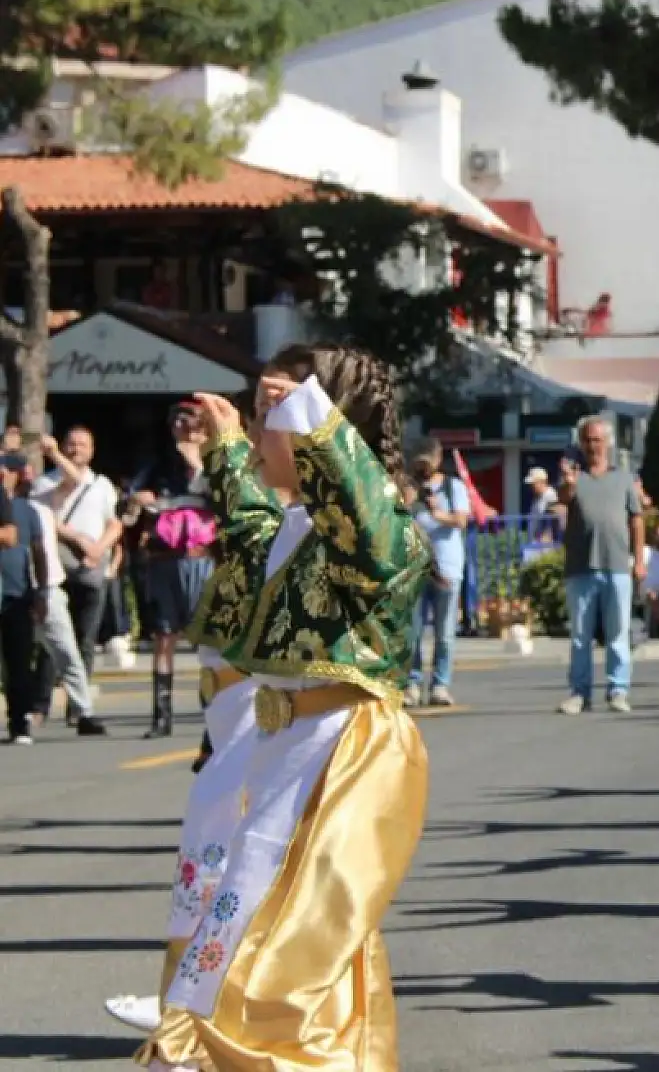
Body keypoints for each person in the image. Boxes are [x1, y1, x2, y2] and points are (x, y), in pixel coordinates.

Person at [139, 344, 431, 1072]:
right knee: (252, 937)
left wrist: (305, 418)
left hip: (346, 754)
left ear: (319, 433)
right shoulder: (296, 530)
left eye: (279, 414)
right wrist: (233, 439)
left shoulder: (379, 525)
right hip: (287, 747)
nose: (267, 423)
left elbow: (357, 512)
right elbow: (251, 520)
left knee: (276, 958)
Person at [104, 416, 278, 1036]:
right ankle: (190, 1003)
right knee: (210, 865)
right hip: (232, 737)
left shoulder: (290, 529)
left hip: (276, 746)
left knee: (249, 874)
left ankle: (213, 1013)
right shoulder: (237, 555)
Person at [129, 404, 216, 738]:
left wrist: (196, 461)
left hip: (203, 560)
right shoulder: (159, 464)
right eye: (176, 420)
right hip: (165, 560)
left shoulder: (215, 460)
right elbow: (133, 500)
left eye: (189, 419)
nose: (182, 425)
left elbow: (224, 496)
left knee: (208, 642)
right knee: (163, 637)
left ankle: (212, 714)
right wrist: (139, 500)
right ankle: (161, 715)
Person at [555, 417, 645, 716]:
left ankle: (618, 690)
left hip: (617, 564)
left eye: (597, 439)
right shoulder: (574, 478)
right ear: (581, 443)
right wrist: (568, 485)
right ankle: (579, 693)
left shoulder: (623, 478)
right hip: (581, 567)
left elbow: (636, 518)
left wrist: (639, 560)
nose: (593, 445)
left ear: (607, 443)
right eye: (587, 440)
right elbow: (562, 500)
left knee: (618, 632)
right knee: (581, 636)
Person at [38, 428, 123, 707]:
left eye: (83, 445)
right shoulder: (46, 483)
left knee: (85, 640)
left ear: (93, 450)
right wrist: (76, 539)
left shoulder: (102, 484)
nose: (76, 450)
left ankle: (79, 706)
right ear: (62, 447)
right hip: (57, 568)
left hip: (92, 568)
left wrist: (98, 549)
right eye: (71, 444)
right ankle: (42, 704)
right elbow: (46, 519)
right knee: (54, 642)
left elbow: (114, 523)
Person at [27, 474, 106, 735]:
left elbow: (74, 479)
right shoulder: (11, 506)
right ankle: (26, 713)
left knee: (66, 653)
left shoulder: (43, 502)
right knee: (18, 657)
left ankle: (84, 712)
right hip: (15, 589)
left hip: (48, 588)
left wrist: (55, 453)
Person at [405, 438, 470, 708]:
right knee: (413, 632)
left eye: (427, 461)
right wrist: (407, 502)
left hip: (446, 567)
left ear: (437, 459)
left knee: (444, 632)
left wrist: (437, 513)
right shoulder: (409, 488)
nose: (423, 467)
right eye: (418, 462)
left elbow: (461, 520)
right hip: (416, 569)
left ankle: (440, 686)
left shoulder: (453, 487)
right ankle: (412, 684)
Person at [0, 453, 39, 745]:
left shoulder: (26, 509)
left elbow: (18, 541)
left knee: (19, 662)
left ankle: (20, 722)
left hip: (16, 591)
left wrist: (42, 592)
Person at [525, 465, 561, 542]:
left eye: (533, 483)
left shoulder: (551, 496)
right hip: (534, 543)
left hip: (544, 545)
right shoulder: (537, 498)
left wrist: (543, 538)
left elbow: (552, 520)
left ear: (542, 481)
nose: (531, 486)